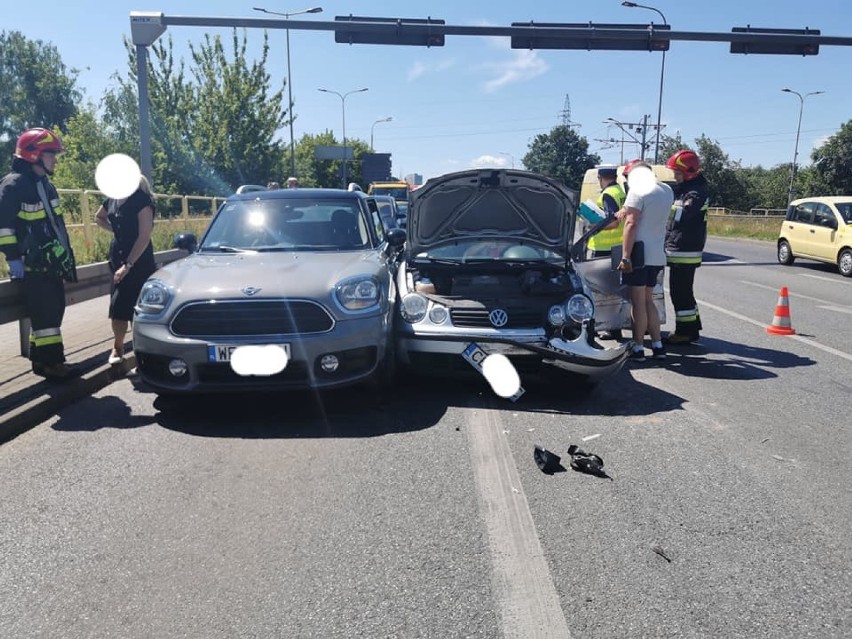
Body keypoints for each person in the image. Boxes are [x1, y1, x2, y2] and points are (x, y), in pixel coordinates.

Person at [0, 127, 79, 381]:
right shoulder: (14, 185)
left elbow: (55, 225)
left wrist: (65, 254)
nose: (55, 159)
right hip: (32, 266)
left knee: (51, 313)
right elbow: (4, 226)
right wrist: (12, 257)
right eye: (51, 154)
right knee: (46, 315)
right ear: (34, 154)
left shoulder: (45, 184)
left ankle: (41, 360)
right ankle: (53, 364)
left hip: (51, 263)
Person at [615, 161, 674, 362]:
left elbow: (631, 224)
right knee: (649, 300)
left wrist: (625, 256)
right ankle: (657, 345)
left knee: (638, 302)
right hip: (657, 253)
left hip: (639, 254)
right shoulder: (666, 190)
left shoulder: (638, 191)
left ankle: (638, 347)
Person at [94, 174, 156, 364]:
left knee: (138, 309)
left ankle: (140, 354)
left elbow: (144, 236)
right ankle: (118, 347)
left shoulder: (142, 201)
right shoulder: (112, 199)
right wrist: (116, 230)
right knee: (118, 305)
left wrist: (128, 265)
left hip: (139, 260)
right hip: (117, 258)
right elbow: (99, 217)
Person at [663, 150, 709, 345]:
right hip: (682, 247)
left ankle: (685, 332)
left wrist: (661, 205)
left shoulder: (696, 193)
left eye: (677, 172)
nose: (675, 176)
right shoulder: (686, 188)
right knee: (684, 292)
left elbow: (682, 214)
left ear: (688, 172)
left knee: (680, 293)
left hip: (685, 250)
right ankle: (692, 327)